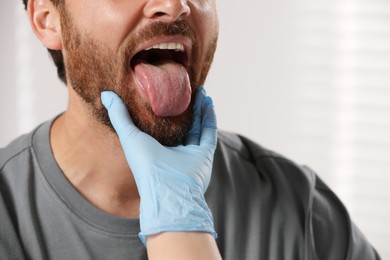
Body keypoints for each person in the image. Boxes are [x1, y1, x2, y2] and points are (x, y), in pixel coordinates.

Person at [0, 0, 381, 259]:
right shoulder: (9, 218)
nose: (176, 4)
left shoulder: (299, 209)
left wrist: (182, 222)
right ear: (47, 19)